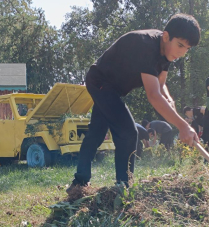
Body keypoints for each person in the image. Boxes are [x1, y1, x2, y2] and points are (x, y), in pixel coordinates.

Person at [67, 14, 201, 192]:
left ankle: (79, 182)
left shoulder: (167, 53)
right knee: (128, 131)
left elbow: (161, 85)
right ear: (166, 36)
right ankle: (123, 186)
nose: (182, 52)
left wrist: (169, 99)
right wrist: (183, 125)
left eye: (187, 49)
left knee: (97, 133)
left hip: (113, 89)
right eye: (180, 45)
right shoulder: (146, 46)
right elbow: (153, 95)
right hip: (100, 81)